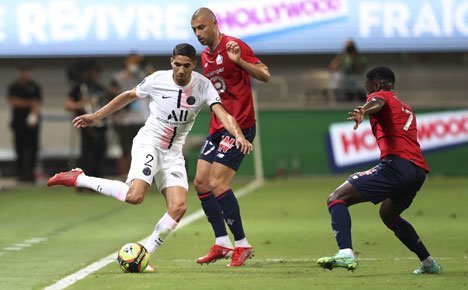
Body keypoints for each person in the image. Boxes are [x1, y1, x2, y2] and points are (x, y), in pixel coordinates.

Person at [47, 43, 252, 271]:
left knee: (178, 207)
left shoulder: (204, 86)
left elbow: (223, 114)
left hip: (174, 153)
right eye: (177, 64)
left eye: (186, 65)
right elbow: (127, 96)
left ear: (194, 65)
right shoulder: (157, 80)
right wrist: (96, 116)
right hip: (150, 143)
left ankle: (143, 256)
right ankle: (79, 178)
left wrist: (239, 136)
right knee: (135, 196)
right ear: (171, 62)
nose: (181, 70)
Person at [317, 66, 441, 274]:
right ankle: (428, 262)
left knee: (336, 198)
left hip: (397, 166)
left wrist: (363, 110)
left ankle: (345, 253)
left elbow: (377, 102)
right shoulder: (406, 107)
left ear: (377, 84)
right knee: (389, 215)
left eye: (368, 88)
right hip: (417, 171)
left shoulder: (380, 96)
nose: (368, 93)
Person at [191, 7, 271, 267]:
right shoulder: (204, 56)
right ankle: (222, 243)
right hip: (218, 126)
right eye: (194, 29)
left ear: (214, 24)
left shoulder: (234, 46)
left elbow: (265, 75)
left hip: (241, 126)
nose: (198, 33)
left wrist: (240, 62)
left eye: (201, 27)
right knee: (201, 183)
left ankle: (243, 244)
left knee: (218, 184)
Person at [109, 53, 152, 178]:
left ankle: (142, 176)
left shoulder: (144, 75)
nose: (135, 64)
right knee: (125, 149)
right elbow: (111, 93)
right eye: (133, 61)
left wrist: (144, 66)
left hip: (143, 117)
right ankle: (124, 175)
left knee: (144, 148)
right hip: (125, 119)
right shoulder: (118, 77)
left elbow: (154, 76)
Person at [65, 61, 110, 178]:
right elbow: (68, 105)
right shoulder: (79, 88)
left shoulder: (100, 88)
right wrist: (82, 104)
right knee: (87, 153)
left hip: (101, 124)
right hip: (86, 125)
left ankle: (97, 179)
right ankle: (84, 181)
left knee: (101, 151)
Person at [7, 63, 42, 183]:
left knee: (33, 149)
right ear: (19, 73)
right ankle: (20, 174)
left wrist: (32, 117)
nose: (24, 74)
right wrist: (28, 103)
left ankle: (31, 174)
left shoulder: (34, 86)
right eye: (22, 71)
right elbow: (13, 102)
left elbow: (36, 104)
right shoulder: (14, 86)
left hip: (32, 123)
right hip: (18, 123)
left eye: (26, 71)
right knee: (20, 149)